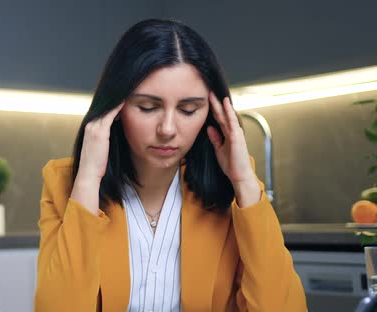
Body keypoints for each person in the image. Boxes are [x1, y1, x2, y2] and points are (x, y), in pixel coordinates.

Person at [34, 19, 307, 312]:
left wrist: (244, 182)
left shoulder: (235, 191)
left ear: (211, 112)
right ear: (116, 107)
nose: (167, 128)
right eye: (148, 107)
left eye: (188, 110)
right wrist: (88, 178)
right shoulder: (66, 184)